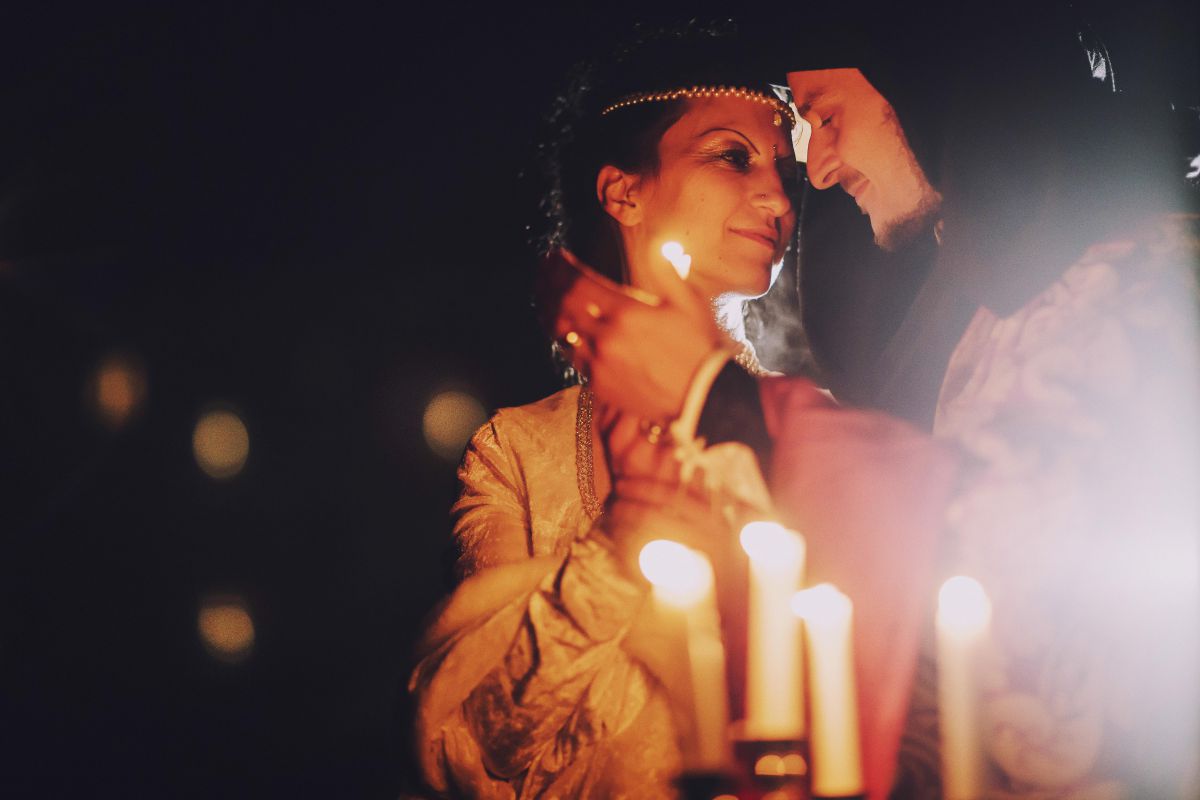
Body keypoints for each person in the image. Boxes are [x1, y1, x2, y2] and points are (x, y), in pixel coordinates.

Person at [555, 8, 1200, 799]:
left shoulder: (1152, 269)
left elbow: (1016, 571)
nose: (815, 175)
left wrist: (718, 406)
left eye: (826, 117)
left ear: (931, 82)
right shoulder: (993, 311)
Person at [408, 25, 802, 798]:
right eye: (733, 156)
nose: (779, 199)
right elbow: (481, 747)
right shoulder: (519, 451)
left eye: (786, 171)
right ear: (623, 190)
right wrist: (617, 548)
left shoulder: (812, 427)